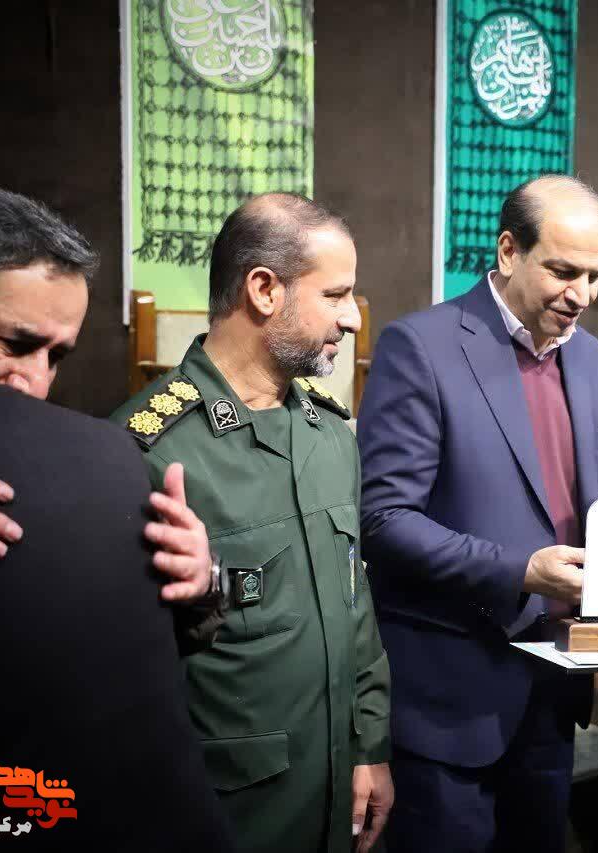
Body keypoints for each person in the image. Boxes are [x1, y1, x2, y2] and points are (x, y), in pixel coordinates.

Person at [110, 193, 392, 853]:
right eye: (335, 294)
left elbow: (356, 609)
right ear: (264, 290)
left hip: (335, 797)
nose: (353, 317)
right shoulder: (144, 451)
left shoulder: (331, 436)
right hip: (227, 807)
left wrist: (370, 745)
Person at [0, 185, 232, 850]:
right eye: (14, 343)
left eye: (56, 355)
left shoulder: (102, 456)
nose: (35, 380)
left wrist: (198, 582)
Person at [358, 175, 598, 853]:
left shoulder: (588, 357)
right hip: (450, 698)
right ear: (507, 251)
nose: (583, 295)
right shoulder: (421, 346)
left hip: (554, 689)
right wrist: (520, 570)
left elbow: (578, 500)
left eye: (595, 276)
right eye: (564, 271)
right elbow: (383, 519)